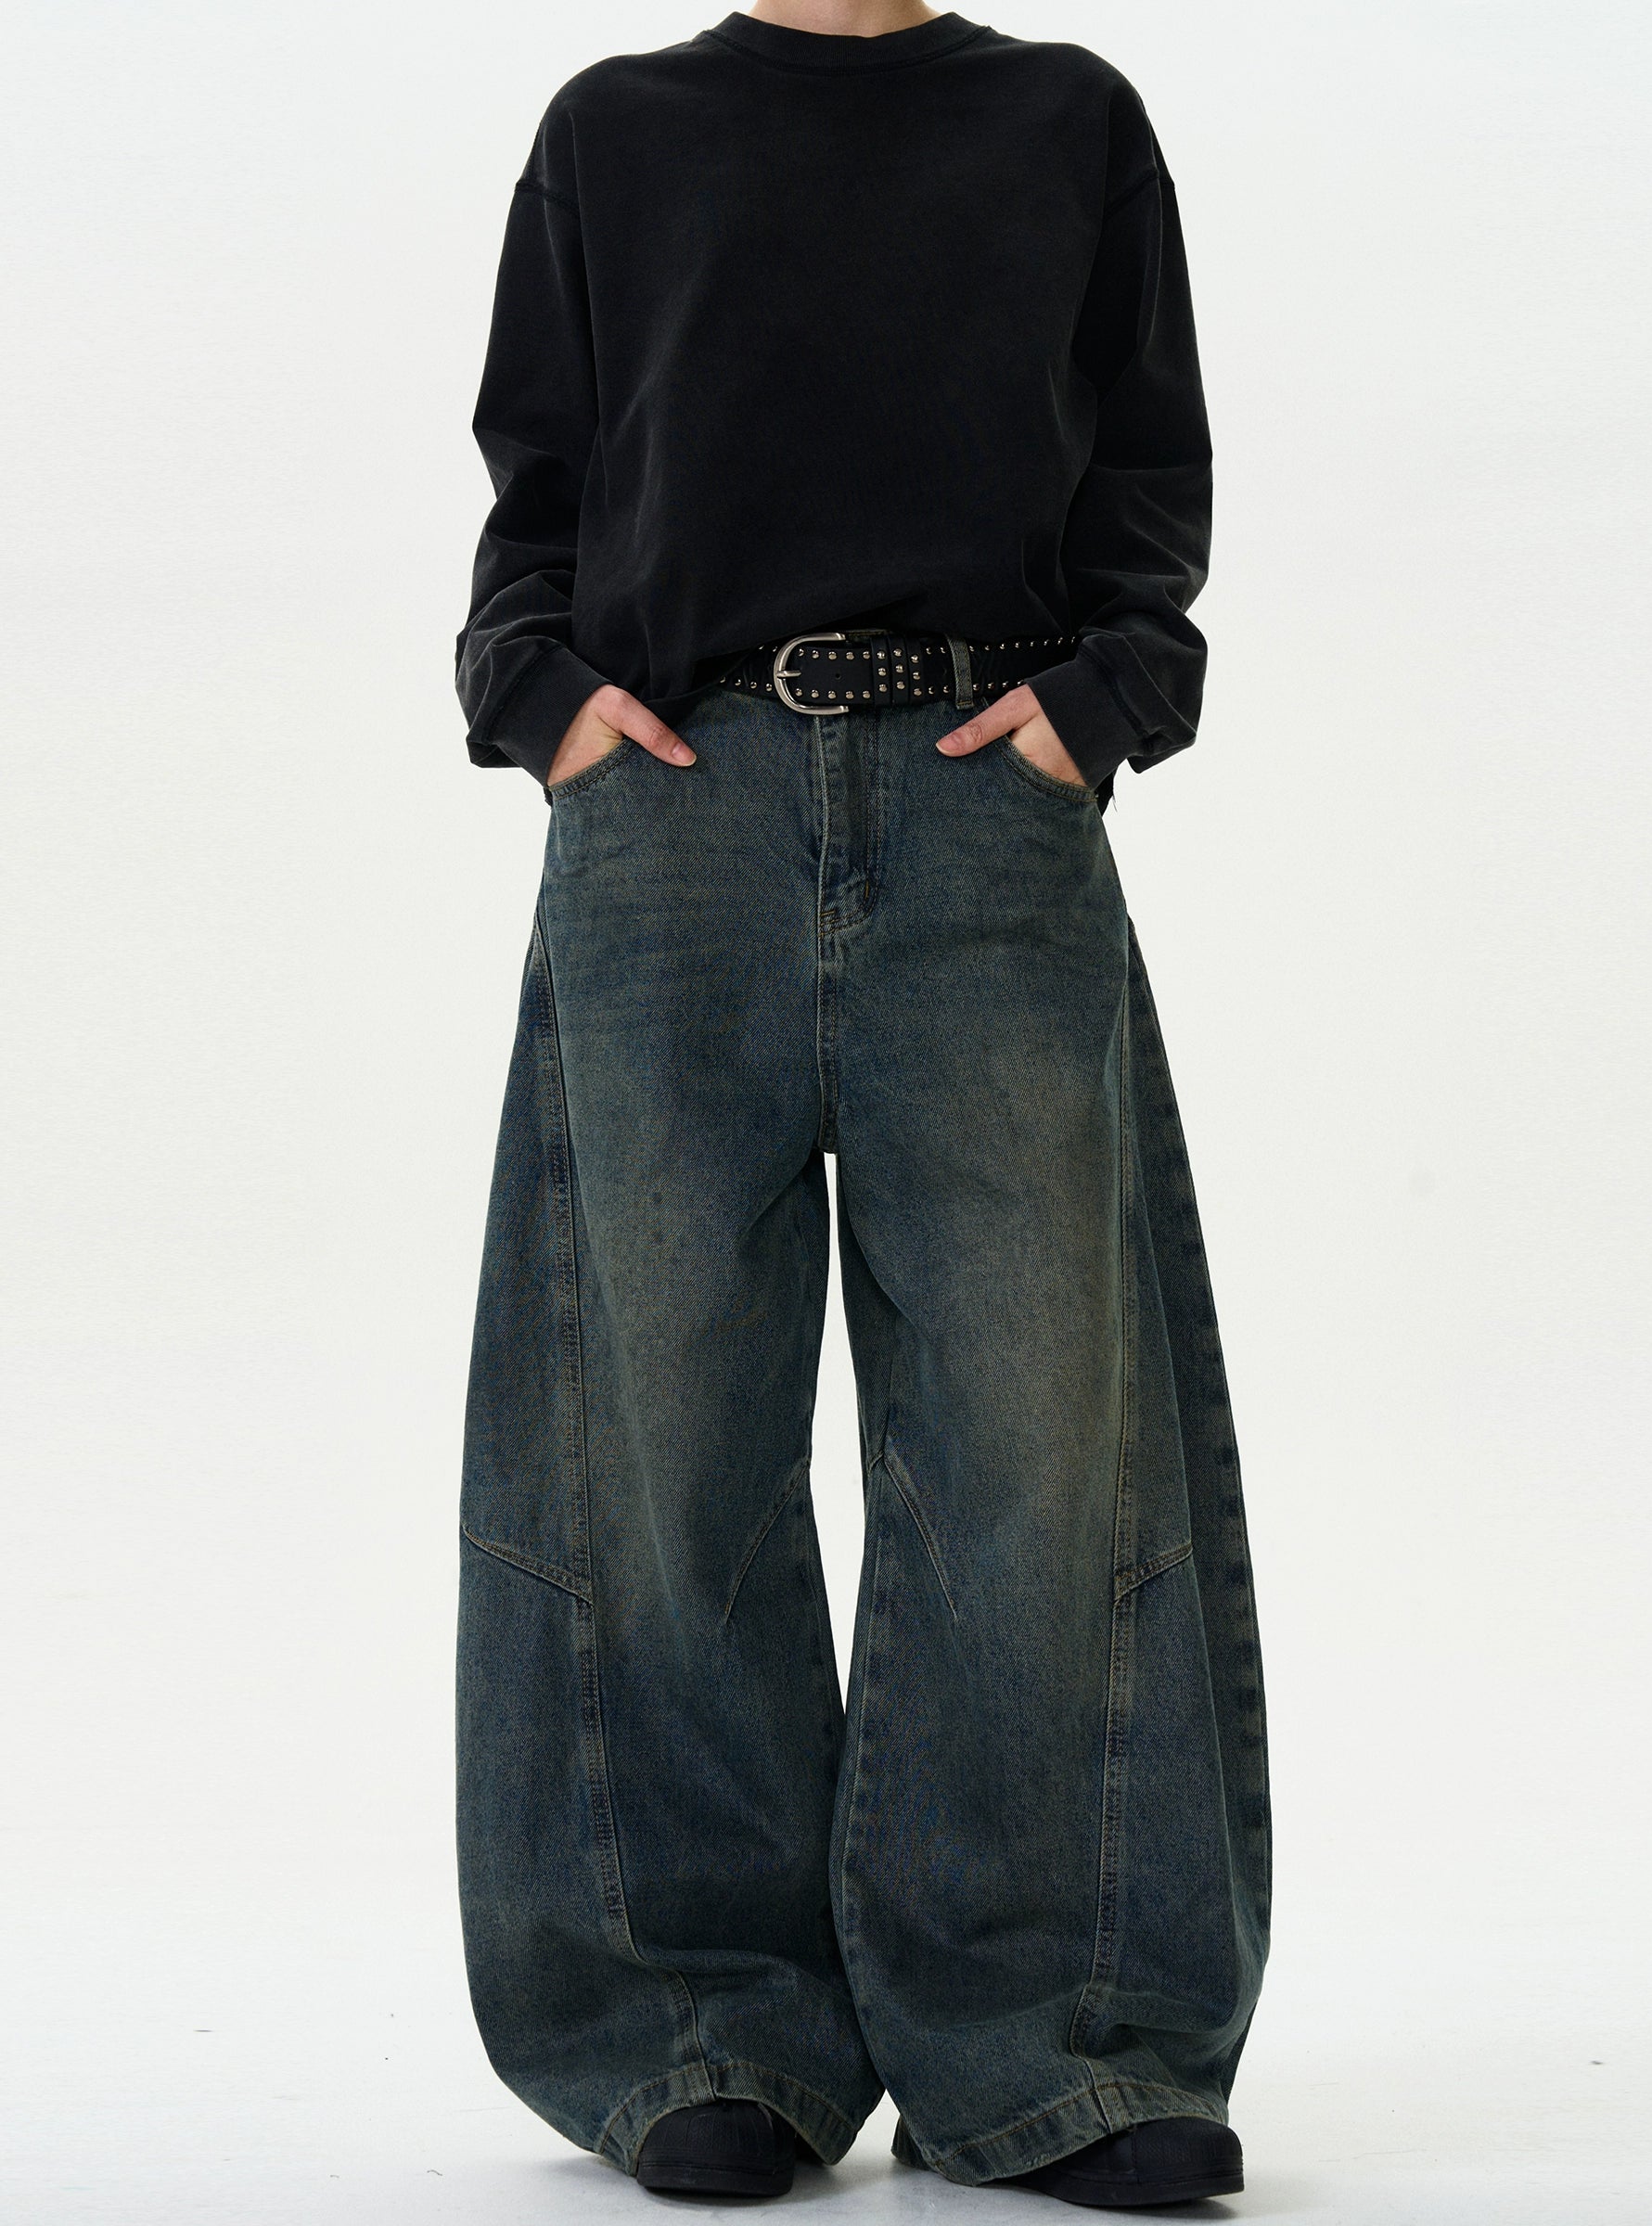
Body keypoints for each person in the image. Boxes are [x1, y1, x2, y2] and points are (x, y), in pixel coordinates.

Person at [452, 2, 1270, 2207]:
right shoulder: (616, 132)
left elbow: (1148, 465)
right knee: (655, 1434)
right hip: (672, 816)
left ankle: (1055, 2041)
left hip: (988, 804)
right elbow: (537, 480)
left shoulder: (1067, 120)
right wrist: (535, 692)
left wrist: (1111, 695)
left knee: (1040, 1436)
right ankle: (691, 2021)